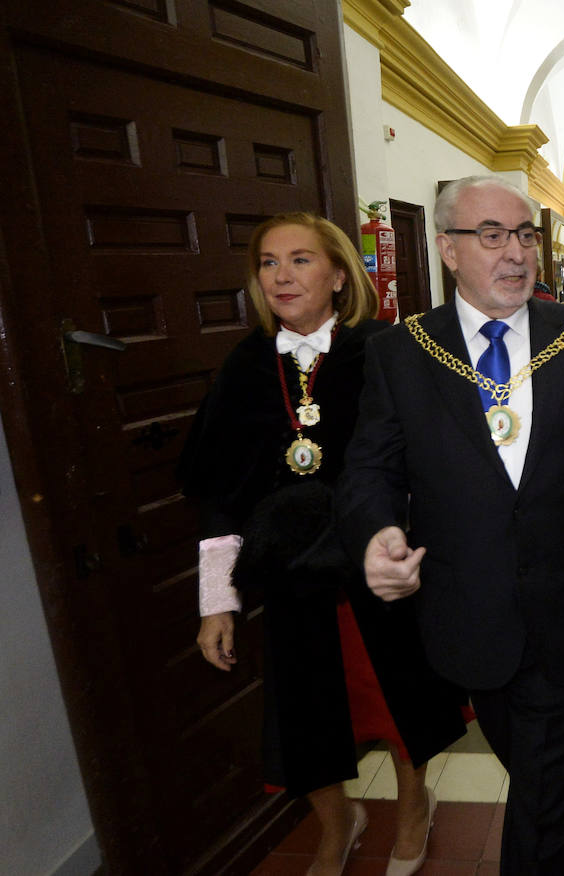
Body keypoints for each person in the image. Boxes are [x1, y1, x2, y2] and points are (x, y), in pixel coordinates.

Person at [335, 176, 564, 874]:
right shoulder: (403, 351)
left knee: (542, 771)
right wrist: (377, 532)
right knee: (542, 771)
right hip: (466, 610)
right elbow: (369, 469)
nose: (516, 253)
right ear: (448, 250)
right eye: (491, 235)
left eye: (525, 235)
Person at [182, 212, 467, 876]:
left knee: (402, 702)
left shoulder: (385, 348)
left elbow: (435, 460)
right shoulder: (245, 366)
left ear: (339, 275)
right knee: (304, 719)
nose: (282, 276)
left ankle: (414, 807)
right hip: (292, 579)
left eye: (301, 260)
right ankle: (339, 824)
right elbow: (219, 492)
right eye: (269, 263)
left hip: (378, 567)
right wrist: (216, 602)